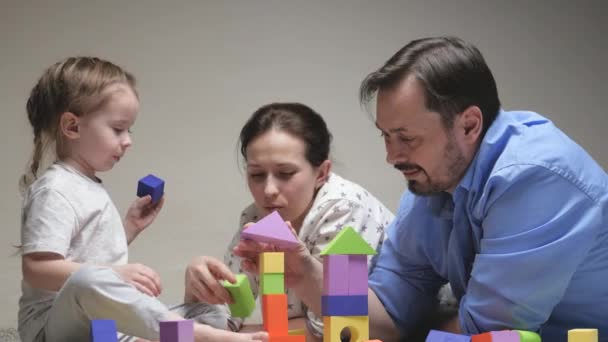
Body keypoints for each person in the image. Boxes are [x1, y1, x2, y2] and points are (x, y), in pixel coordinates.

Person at [234, 37, 608, 342]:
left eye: (406, 138)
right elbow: (389, 313)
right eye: (386, 136)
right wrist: (305, 275)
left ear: (469, 125)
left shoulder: (534, 177)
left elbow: (488, 334)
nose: (391, 156)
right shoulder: (430, 188)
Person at [18, 57, 268, 342]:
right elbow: (37, 269)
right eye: (117, 129)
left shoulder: (90, 186)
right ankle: (197, 336)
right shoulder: (55, 188)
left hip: (101, 328)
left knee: (210, 313)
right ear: (72, 126)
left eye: (129, 130)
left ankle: (189, 331)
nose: (128, 141)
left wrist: (129, 228)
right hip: (52, 328)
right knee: (87, 280)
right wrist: (115, 274)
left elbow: (88, 255)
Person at [184, 102, 394, 338]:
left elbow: (339, 332)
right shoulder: (257, 217)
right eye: (256, 175)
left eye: (285, 174)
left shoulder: (344, 209)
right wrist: (199, 294)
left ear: (322, 173)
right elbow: (222, 318)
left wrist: (244, 334)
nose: (269, 190)